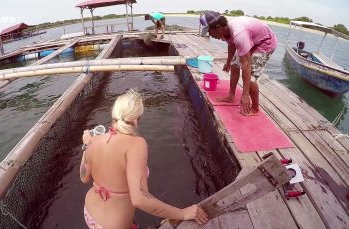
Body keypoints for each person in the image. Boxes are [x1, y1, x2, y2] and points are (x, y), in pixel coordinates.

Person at [80, 89, 208, 229]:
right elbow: (139, 199)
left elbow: (84, 178)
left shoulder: (93, 141)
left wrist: (86, 145)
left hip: (90, 214)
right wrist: (182, 213)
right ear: (136, 119)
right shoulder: (136, 144)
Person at [200, 11, 278, 116]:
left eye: (209, 31)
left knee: (250, 77)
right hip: (252, 40)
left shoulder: (239, 33)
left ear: (218, 27)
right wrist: (228, 62)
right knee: (234, 65)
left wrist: (245, 94)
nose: (210, 35)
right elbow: (231, 44)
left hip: (265, 43)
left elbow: (246, 65)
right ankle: (231, 96)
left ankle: (255, 108)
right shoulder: (225, 30)